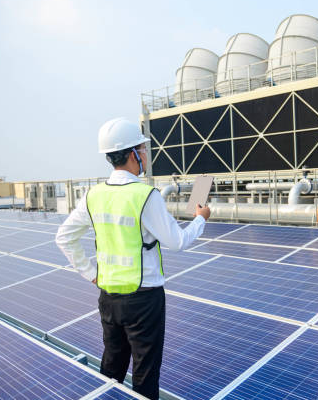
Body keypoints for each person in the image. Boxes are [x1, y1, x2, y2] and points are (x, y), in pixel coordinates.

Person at [56, 117, 210, 399]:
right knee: (145, 373)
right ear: (132, 154)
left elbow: (64, 237)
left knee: (111, 366)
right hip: (144, 300)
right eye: (143, 148)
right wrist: (200, 219)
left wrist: (92, 273)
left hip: (108, 298)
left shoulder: (93, 195)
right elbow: (177, 241)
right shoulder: (145, 195)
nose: (146, 154)